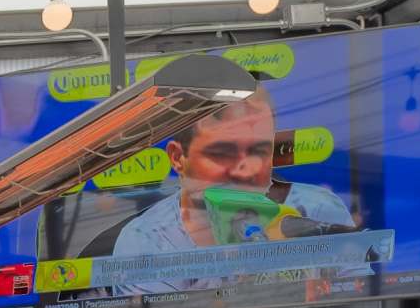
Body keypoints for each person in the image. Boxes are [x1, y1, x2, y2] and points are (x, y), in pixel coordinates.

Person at [108, 83, 357, 254]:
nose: (244, 171)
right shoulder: (145, 241)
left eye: (259, 151)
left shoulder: (318, 212)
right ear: (178, 157)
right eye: (222, 154)